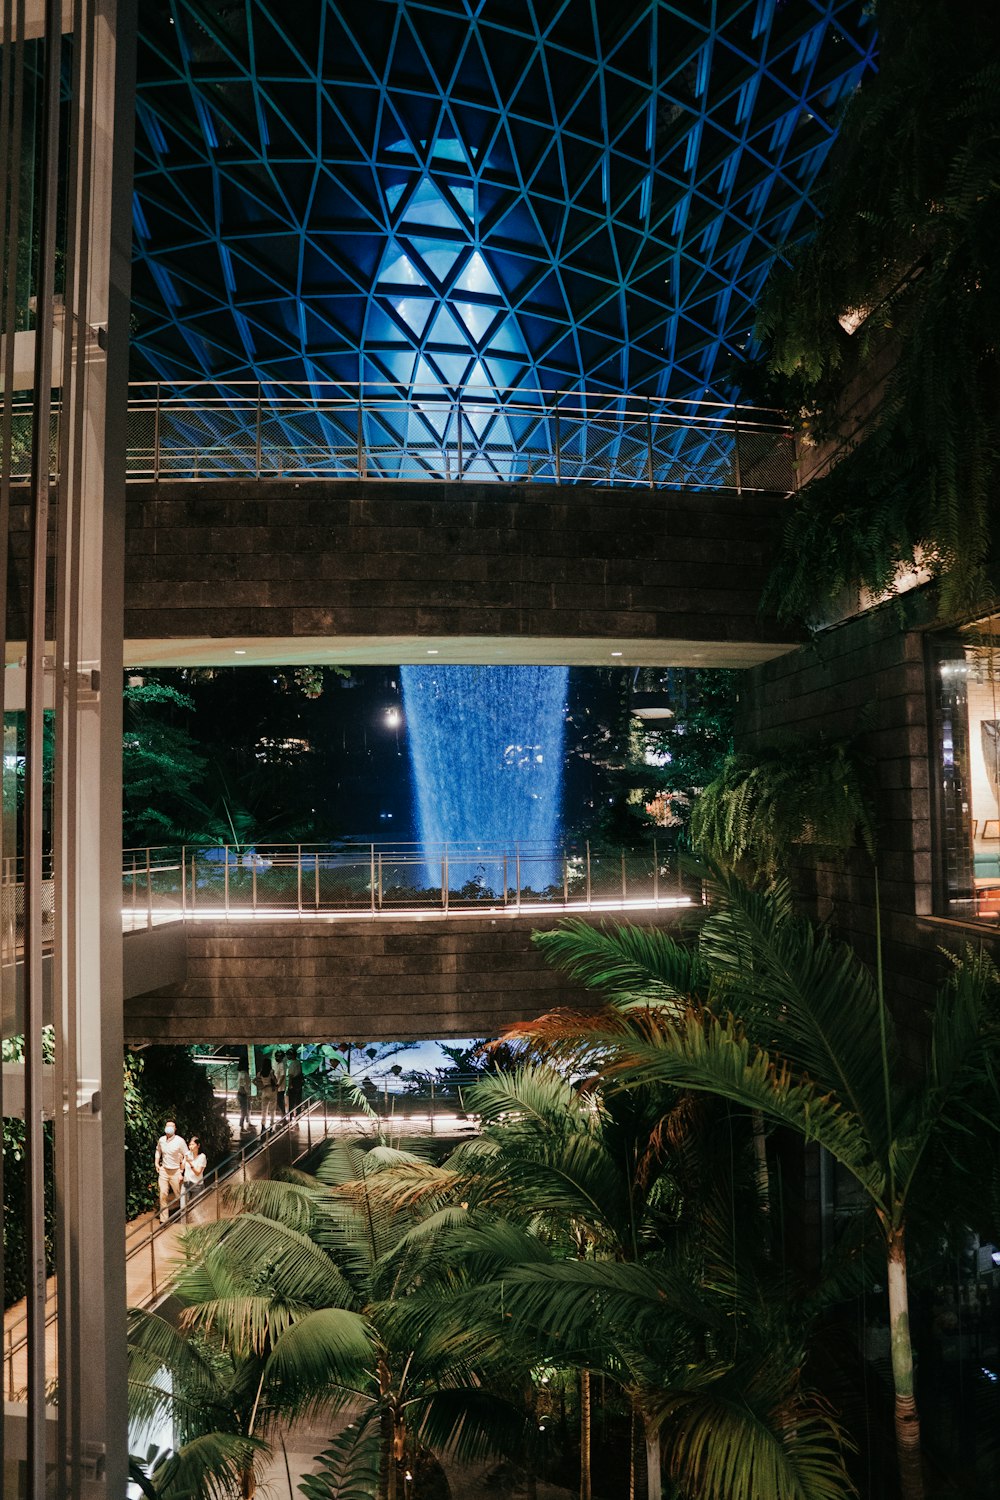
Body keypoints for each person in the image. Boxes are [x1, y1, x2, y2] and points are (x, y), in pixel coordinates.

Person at [155, 1120, 187, 1224]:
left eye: (171, 1126)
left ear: (175, 1129)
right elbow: (158, 1151)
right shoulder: (161, 1140)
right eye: (167, 1126)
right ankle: (164, 1220)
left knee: (179, 1196)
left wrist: (182, 1170)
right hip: (164, 1170)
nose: (169, 1128)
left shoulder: (180, 1141)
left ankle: (185, 1214)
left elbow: (187, 1155)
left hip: (176, 1171)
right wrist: (156, 1163)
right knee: (163, 1194)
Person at [181, 1135, 207, 1209]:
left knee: (196, 1209)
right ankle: (184, 1220)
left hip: (197, 1185)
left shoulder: (202, 1157)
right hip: (186, 1183)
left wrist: (190, 1163)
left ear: (198, 1145)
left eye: (193, 1144)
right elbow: (182, 1167)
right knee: (183, 1207)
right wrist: (181, 1161)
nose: (190, 1147)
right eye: (189, 1144)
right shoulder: (187, 1154)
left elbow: (198, 1172)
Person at [255, 1059, 278, 1130]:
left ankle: (263, 1125)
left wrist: (260, 1087)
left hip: (264, 1091)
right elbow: (275, 1081)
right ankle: (271, 1126)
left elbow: (254, 1080)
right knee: (272, 1109)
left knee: (264, 1109)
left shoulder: (260, 1073)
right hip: (271, 1090)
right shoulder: (271, 1071)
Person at [285, 1047, 303, 1112]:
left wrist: (289, 1086)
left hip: (293, 1085)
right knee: (298, 1102)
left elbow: (290, 1075)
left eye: (288, 1055)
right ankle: (298, 1116)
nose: (287, 1056)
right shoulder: (298, 1063)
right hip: (298, 1085)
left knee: (291, 1102)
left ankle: (290, 1117)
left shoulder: (292, 1064)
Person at [236, 1063, 252, 1130]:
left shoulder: (240, 1073)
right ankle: (242, 1126)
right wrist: (248, 1094)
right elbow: (245, 1085)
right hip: (244, 1094)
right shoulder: (244, 1074)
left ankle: (247, 1123)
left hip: (240, 1093)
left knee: (246, 1109)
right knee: (245, 1110)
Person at [273, 1049, 287, 1120]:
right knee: (279, 1102)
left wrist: (278, 1085)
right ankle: (283, 1116)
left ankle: (283, 1117)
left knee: (280, 1102)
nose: (277, 1058)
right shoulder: (277, 1064)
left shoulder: (281, 1064)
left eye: (279, 1056)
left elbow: (282, 1075)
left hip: (280, 1087)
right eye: (277, 1056)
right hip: (277, 1086)